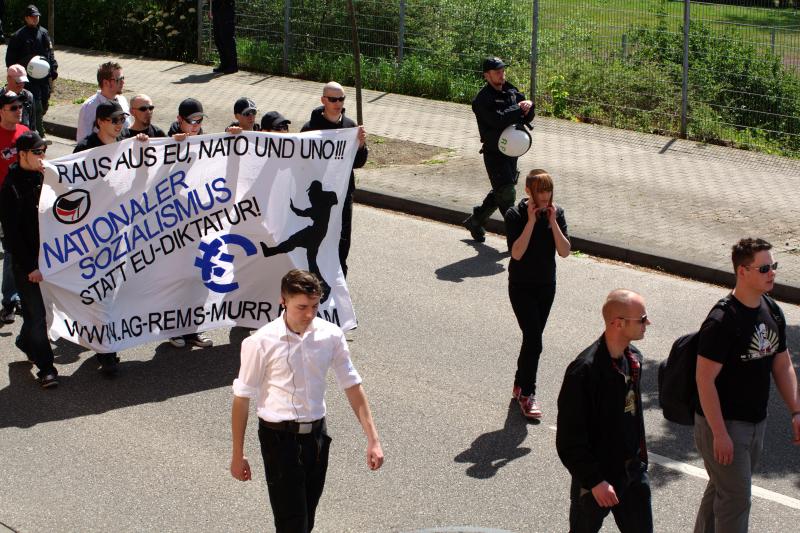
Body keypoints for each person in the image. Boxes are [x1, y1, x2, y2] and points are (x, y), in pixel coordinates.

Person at [230, 269, 383, 532]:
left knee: (307, 517)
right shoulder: (260, 342)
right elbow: (242, 398)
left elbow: (352, 385)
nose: (310, 314)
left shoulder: (331, 336)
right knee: (293, 524)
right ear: (283, 301)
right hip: (278, 440)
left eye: (314, 306)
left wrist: (373, 439)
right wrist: (237, 454)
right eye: (302, 307)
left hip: (316, 438)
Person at [693, 238, 800, 533]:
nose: (772, 273)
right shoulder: (722, 320)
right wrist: (719, 433)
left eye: (774, 266)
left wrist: (796, 411)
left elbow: (782, 364)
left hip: (755, 422)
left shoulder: (772, 311)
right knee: (737, 499)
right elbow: (704, 379)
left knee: (723, 490)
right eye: (764, 267)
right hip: (724, 425)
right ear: (742, 271)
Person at [556, 289, 653, 533]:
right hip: (597, 480)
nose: (647, 322)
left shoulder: (633, 359)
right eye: (641, 318)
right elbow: (569, 440)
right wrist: (595, 481)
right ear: (618, 323)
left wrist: (639, 460)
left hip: (632, 472)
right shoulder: (583, 373)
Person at [73, 99, 134, 376]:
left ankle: (104, 341)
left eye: (123, 120)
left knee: (115, 291)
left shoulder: (128, 145)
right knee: (102, 291)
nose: (120, 125)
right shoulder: (85, 149)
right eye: (115, 120)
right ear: (100, 122)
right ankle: (106, 352)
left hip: (120, 230)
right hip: (94, 234)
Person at [504, 169, 570, 419]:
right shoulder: (515, 214)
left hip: (546, 286)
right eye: (540, 191)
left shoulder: (558, 213)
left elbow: (564, 252)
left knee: (532, 339)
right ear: (529, 192)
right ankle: (527, 394)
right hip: (521, 287)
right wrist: (531, 221)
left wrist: (552, 222)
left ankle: (520, 384)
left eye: (548, 190)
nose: (545, 196)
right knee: (534, 339)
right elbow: (517, 253)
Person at [0, 130, 57, 387]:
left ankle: (24, 342)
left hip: (51, 259)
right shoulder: (10, 187)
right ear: (22, 155)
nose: (42, 156)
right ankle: (46, 368)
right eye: (37, 152)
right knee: (37, 316)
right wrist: (31, 267)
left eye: (44, 151)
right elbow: (11, 237)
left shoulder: (44, 177)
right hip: (28, 264)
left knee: (44, 311)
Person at [301, 82, 367, 277]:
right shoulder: (310, 129)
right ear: (323, 101)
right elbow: (301, 163)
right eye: (333, 99)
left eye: (341, 99)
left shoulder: (350, 127)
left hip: (343, 194)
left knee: (343, 238)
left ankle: (340, 280)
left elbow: (358, 162)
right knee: (319, 240)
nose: (338, 103)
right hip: (319, 199)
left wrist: (361, 145)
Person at [463, 57, 533, 243]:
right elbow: (498, 119)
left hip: (511, 152)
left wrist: (528, 106)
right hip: (494, 153)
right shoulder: (481, 100)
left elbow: (526, 116)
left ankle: (477, 220)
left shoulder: (511, 90)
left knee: (502, 190)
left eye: (503, 70)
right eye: (497, 72)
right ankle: (517, 237)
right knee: (507, 194)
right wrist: (518, 108)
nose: (502, 74)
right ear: (487, 76)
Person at [166, 97, 213, 348]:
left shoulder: (206, 143)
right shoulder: (167, 142)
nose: (195, 126)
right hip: (175, 225)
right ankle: (173, 329)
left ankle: (193, 329)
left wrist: (233, 134)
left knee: (199, 277)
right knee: (178, 278)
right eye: (191, 121)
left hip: (199, 222)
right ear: (179, 120)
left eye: (199, 121)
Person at [4, 4, 57, 137]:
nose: (35, 19)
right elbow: (10, 61)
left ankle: (35, 125)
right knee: (36, 105)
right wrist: (25, 63)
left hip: (44, 78)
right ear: (26, 18)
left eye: (37, 17)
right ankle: (40, 134)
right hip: (28, 79)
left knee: (43, 105)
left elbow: (50, 53)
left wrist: (53, 69)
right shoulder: (18, 36)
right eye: (32, 17)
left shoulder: (43, 33)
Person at [0, 89, 28, 323]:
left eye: (20, 107)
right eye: (13, 108)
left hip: (21, 202)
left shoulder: (25, 133)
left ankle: (11, 299)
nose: (19, 111)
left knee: (12, 249)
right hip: (2, 200)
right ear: (1, 111)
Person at [76, 61, 131, 142]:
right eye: (119, 79)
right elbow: (82, 141)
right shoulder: (89, 107)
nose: (123, 82)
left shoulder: (122, 100)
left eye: (123, 78)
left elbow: (128, 130)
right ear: (106, 82)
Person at [5, 64, 37, 131]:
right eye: (18, 81)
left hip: (23, 137)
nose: (21, 84)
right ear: (8, 78)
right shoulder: (1, 96)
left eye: (23, 81)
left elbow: (32, 123)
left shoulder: (28, 96)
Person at [210, 0, 238, 74]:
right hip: (216, 9)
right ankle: (224, 64)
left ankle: (233, 66)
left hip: (226, 10)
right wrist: (211, 10)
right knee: (218, 39)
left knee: (227, 38)